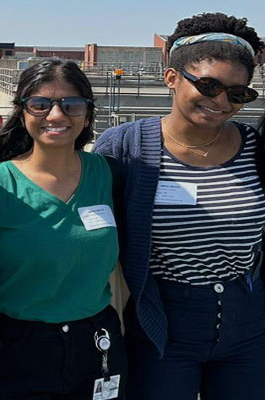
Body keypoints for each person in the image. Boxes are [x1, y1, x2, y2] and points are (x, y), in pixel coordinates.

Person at [93, 12, 265, 400]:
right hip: (162, 323)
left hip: (249, 321)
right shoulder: (125, 147)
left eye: (238, 94)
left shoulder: (255, 148)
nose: (221, 101)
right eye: (208, 84)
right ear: (172, 78)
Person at [0, 59, 126, 399]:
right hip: (13, 347)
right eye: (40, 104)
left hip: (96, 342)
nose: (56, 115)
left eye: (71, 104)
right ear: (22, 111)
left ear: (87, 113)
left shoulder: (106, 173)